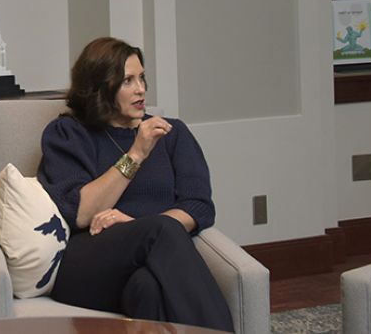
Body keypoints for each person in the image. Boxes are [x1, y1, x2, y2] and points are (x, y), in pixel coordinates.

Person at [38, 36, 234, 332]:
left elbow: (198, 207)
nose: (141, 88)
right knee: (161, 229)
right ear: (100, 87)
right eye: (127, 80)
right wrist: (137, 153)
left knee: (147, 289)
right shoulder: (68, 133)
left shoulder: (173, 133)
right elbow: (79, 211)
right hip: (88, 264)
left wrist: (135, 225)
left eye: (142, 77)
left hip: (146, 264)